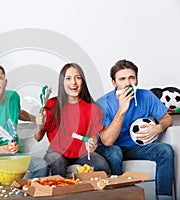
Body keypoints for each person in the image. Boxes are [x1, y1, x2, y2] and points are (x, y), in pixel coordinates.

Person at [95, 59, 174, 200]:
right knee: (114, 152)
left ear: (136, 80)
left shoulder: (146, 96)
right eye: (122, 79)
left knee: (165, 150)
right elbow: (107, 141)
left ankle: (164, 197)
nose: (127, 83)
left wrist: (158, 128)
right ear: (114, 83)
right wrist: (122, 109)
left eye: (131, 78)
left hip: (135, 147)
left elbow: (167, 119)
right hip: (109, 148)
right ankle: (122, 196)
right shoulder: (103, 104)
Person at [34, 63, 111, 177]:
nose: (73, 82)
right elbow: (37, 137)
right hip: (57, 152)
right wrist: (39, 125)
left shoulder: (92, 108)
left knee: (102, 165)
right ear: (62, 82)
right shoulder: (52, 104)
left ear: (82, 82)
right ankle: (60, 193)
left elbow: (93, 135)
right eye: (68, 78)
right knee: (57, 162)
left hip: (82, 153)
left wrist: (93, 142)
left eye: (78, 78)